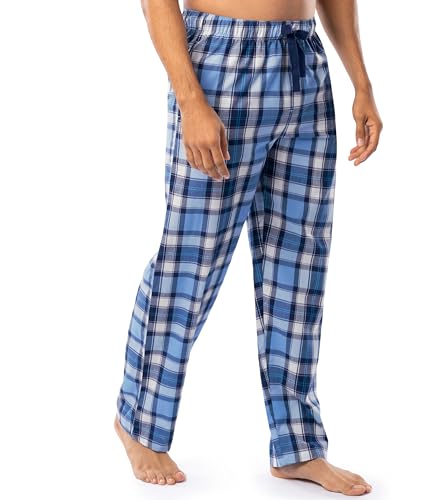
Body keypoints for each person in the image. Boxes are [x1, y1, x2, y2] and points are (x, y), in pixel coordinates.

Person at [114, 0, 382, 495]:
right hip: (221, 63)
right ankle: (139, 422)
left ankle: (298, 446)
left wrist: (361, 82)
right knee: (190, 262)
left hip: (303, 62)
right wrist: (191, 100)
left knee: (298, 270)